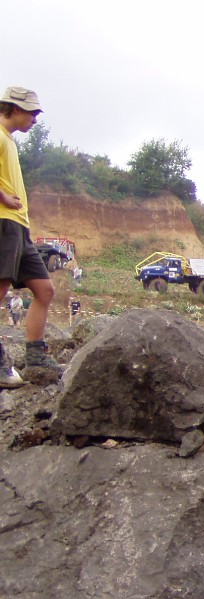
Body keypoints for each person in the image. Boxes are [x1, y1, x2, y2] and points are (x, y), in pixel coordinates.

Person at [0, 85, 57, 388]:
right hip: (3, 223)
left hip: (18, 227)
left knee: (45, 290)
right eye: (32, 112)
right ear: (14, 107)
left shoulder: (8, 140)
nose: (35, 118)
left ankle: (35, 355)